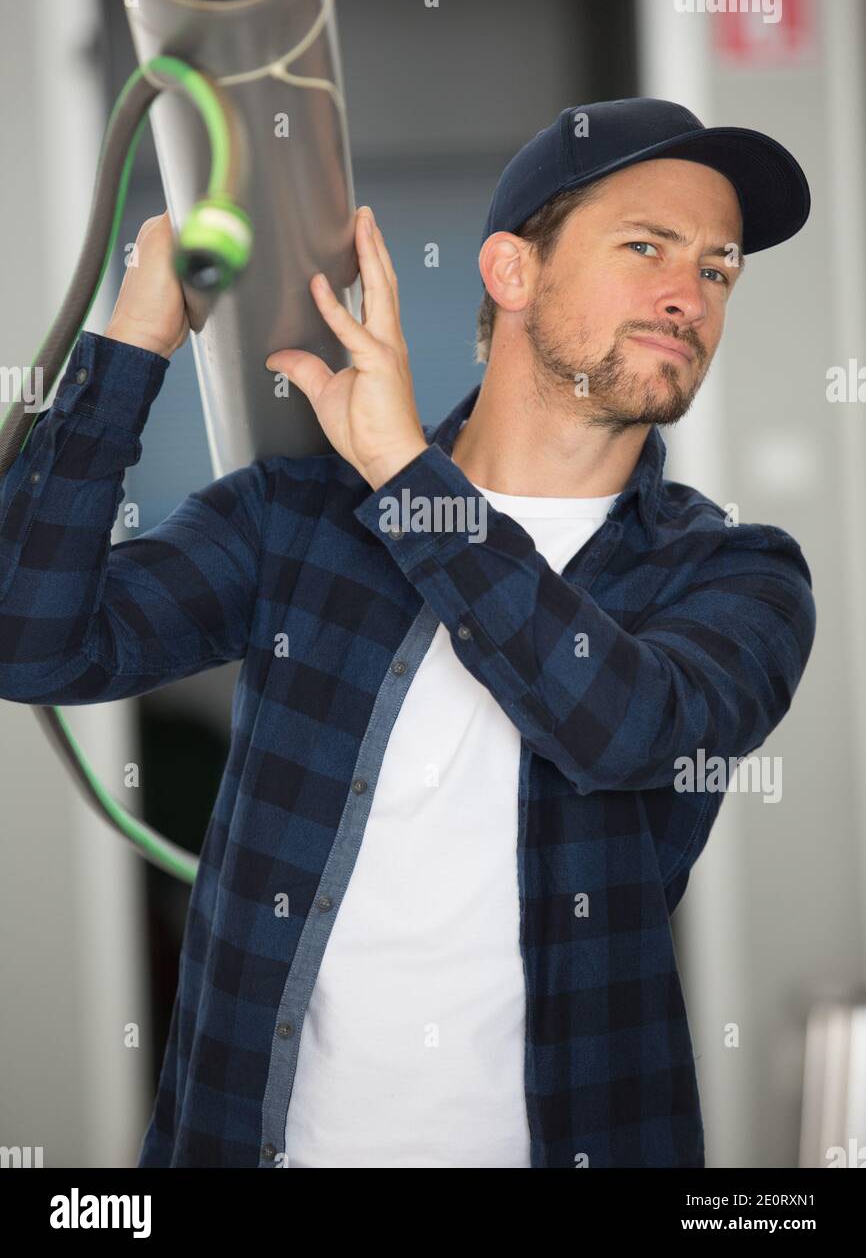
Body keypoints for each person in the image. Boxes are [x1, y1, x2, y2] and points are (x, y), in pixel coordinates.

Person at [0, 98, 816, 1168]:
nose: (687, 294)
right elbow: (29, 639)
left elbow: (620, 727)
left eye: (716, 268)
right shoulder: (295, 519)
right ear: (511, 272)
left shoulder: (733, 572)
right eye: (644, 247)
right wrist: (129, 345)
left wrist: (405, 475)